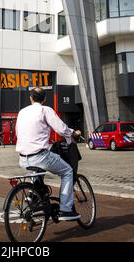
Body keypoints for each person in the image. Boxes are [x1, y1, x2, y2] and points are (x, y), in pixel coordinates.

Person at [16, 87, 81, 221]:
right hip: (39, 156)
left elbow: (18, 132)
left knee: (39, 167)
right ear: (44, 99)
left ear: (31, 98)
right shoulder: (45, 110)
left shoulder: (22, 112)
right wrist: (73, 133)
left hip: (22, 158)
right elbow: (61, 129)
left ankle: (33, 194)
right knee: (67, 171)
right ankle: (65, 209)